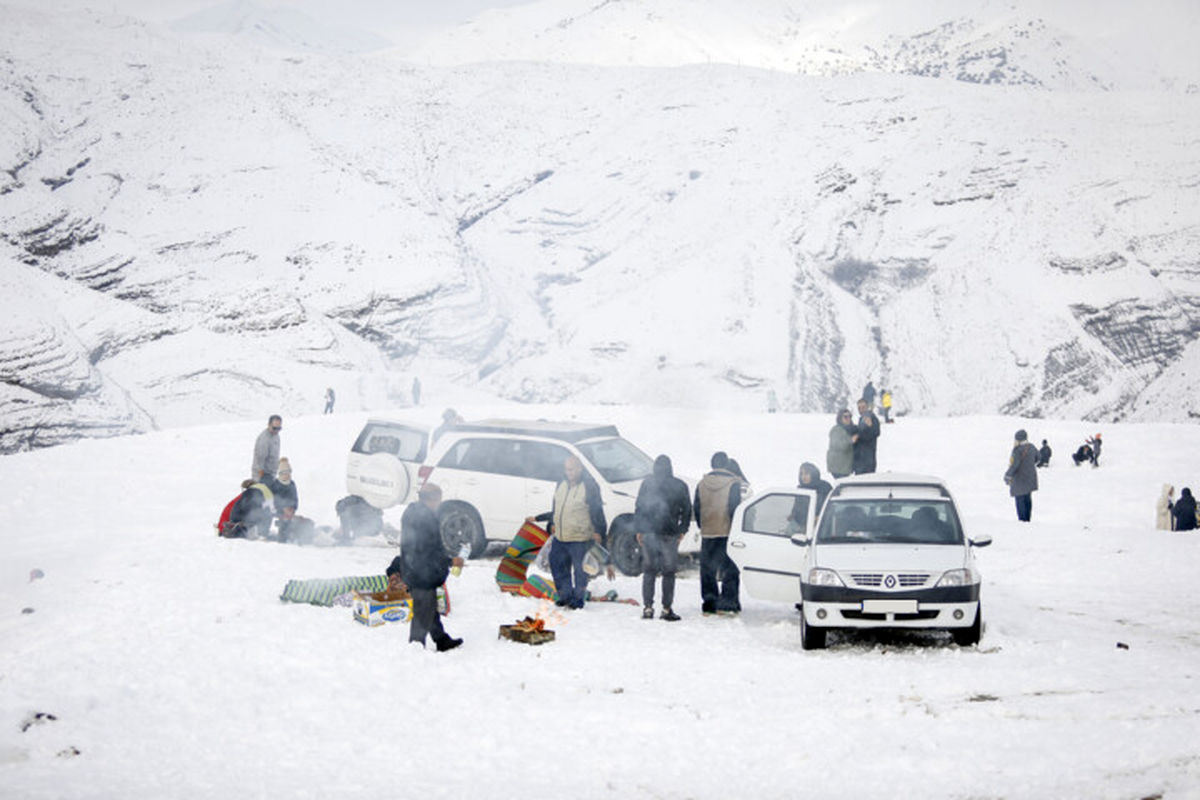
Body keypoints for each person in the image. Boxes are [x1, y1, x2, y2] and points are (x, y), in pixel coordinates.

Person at [397, 483, 463, 651]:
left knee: (428, 608)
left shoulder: (412, 512)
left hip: (412, 569)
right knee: (422, 613)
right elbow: (428, 550)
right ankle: (416, 648)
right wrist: (450, 561)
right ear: (433, 499)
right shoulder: (425, 519)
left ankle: (441, 640)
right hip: (422, 573)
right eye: (439, 499)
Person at [543, 455, 608, 609]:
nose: (568, 472)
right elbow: (556, 505)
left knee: (580, 571)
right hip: (561, 535)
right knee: (557, 565)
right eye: (566, 469)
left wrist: (599, 531)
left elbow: (597, 511)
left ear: (580, 469)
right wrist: (552, 522)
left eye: (572, 469)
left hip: (580, 537)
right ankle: (565, 596)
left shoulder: (589, 485)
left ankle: (577, 600)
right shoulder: (561, 483)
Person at [634, 455, 692, 621]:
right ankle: (666, 609)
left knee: (649, 571)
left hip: (649, 532)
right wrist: (683, 529)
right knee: (668, 572)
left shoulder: (647, 483)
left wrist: (640, 529)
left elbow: (639, 507)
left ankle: (648, 608)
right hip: (670, 533)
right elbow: (687, 510)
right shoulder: (680, 485)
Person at [693, 451, 747, 615]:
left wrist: (703, 526)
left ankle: (709, 602)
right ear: (726, 464)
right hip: (727, 532)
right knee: (730, 569)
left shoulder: (701, 484)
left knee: (707, 569)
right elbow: (734, 508)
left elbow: (696, 506)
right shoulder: (733, 484)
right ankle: (728, 603)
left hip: (708, 532)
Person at [1004, 429, 1039, 522]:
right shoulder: (1032, 447)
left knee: (1020, 500)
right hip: (1030, 478)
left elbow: (1014, 465)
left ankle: (1022, 521)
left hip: (1019, 480)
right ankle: (1028, 519)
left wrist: (1007, 475)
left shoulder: (1017, 450)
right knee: (1028, 498)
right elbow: (1039, 458)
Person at [268, 457, 300, 541]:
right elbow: (272, 501)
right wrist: (282, 509)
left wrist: (292, 508)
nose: (287, 475)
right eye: (285, 473)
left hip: (289, 511)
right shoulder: (275, 485)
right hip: (278, 510)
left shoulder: (292, 484)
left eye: (288, 473)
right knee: (284, 521)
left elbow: (295, 499)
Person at [826, 408, 856, 479]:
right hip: (838, 467)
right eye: (845, 417)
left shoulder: (850, 429)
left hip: (845, 466)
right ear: (840, 418)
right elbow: (839, 446)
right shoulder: (836, 430)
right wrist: (851, 440)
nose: (848, 418)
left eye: (850, 416)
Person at [852, 398, 880, 475]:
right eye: (859, 408)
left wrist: (858, 436)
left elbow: (875, 432)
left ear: (867, 407)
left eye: (863, 407)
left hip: (868, 461)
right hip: (860, 460)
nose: (861, 410)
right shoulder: (862, 419)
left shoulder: (872, 418)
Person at [251, 415, 282, 480]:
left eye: (279, 428)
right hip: (262, 475)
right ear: (268, 425)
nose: (276, 431)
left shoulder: (276, 436)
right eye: (274, 428)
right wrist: (261, 477)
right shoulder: (264, 439)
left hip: (271, 474)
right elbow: (260, 458)